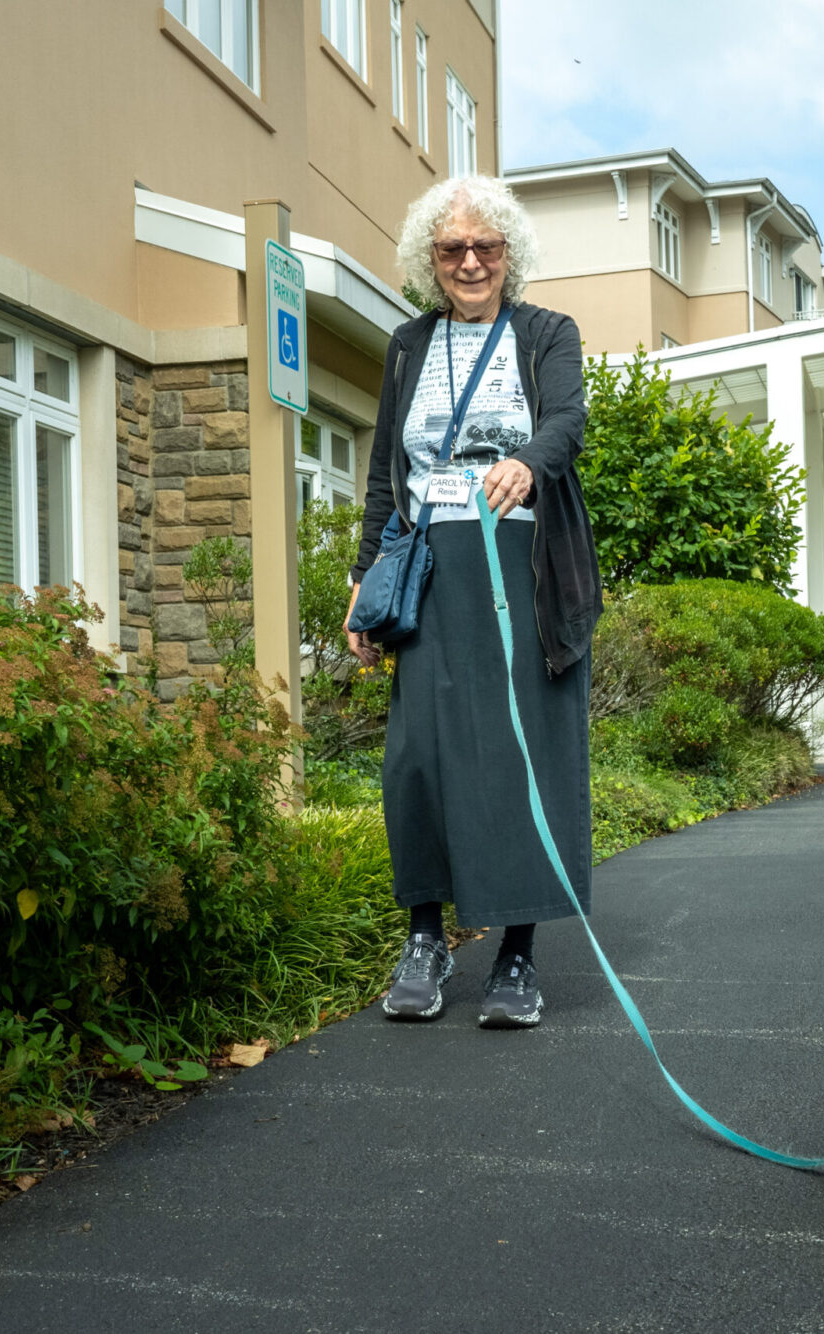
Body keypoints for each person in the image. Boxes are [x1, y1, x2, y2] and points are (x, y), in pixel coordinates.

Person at [347, 175, 601, 1028]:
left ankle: (517, 955)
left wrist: (526, 461)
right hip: (429, 573)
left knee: (520, 754)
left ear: (507, 253)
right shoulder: (408, 345)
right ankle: (425, 939)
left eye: (484, 247)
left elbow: (567, 420)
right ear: (431, 259)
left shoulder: (547, 332)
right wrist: (363, 580)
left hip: (522, 570)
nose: (468, 262)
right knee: (418, 758)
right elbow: (386, 470)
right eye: (452, 248)